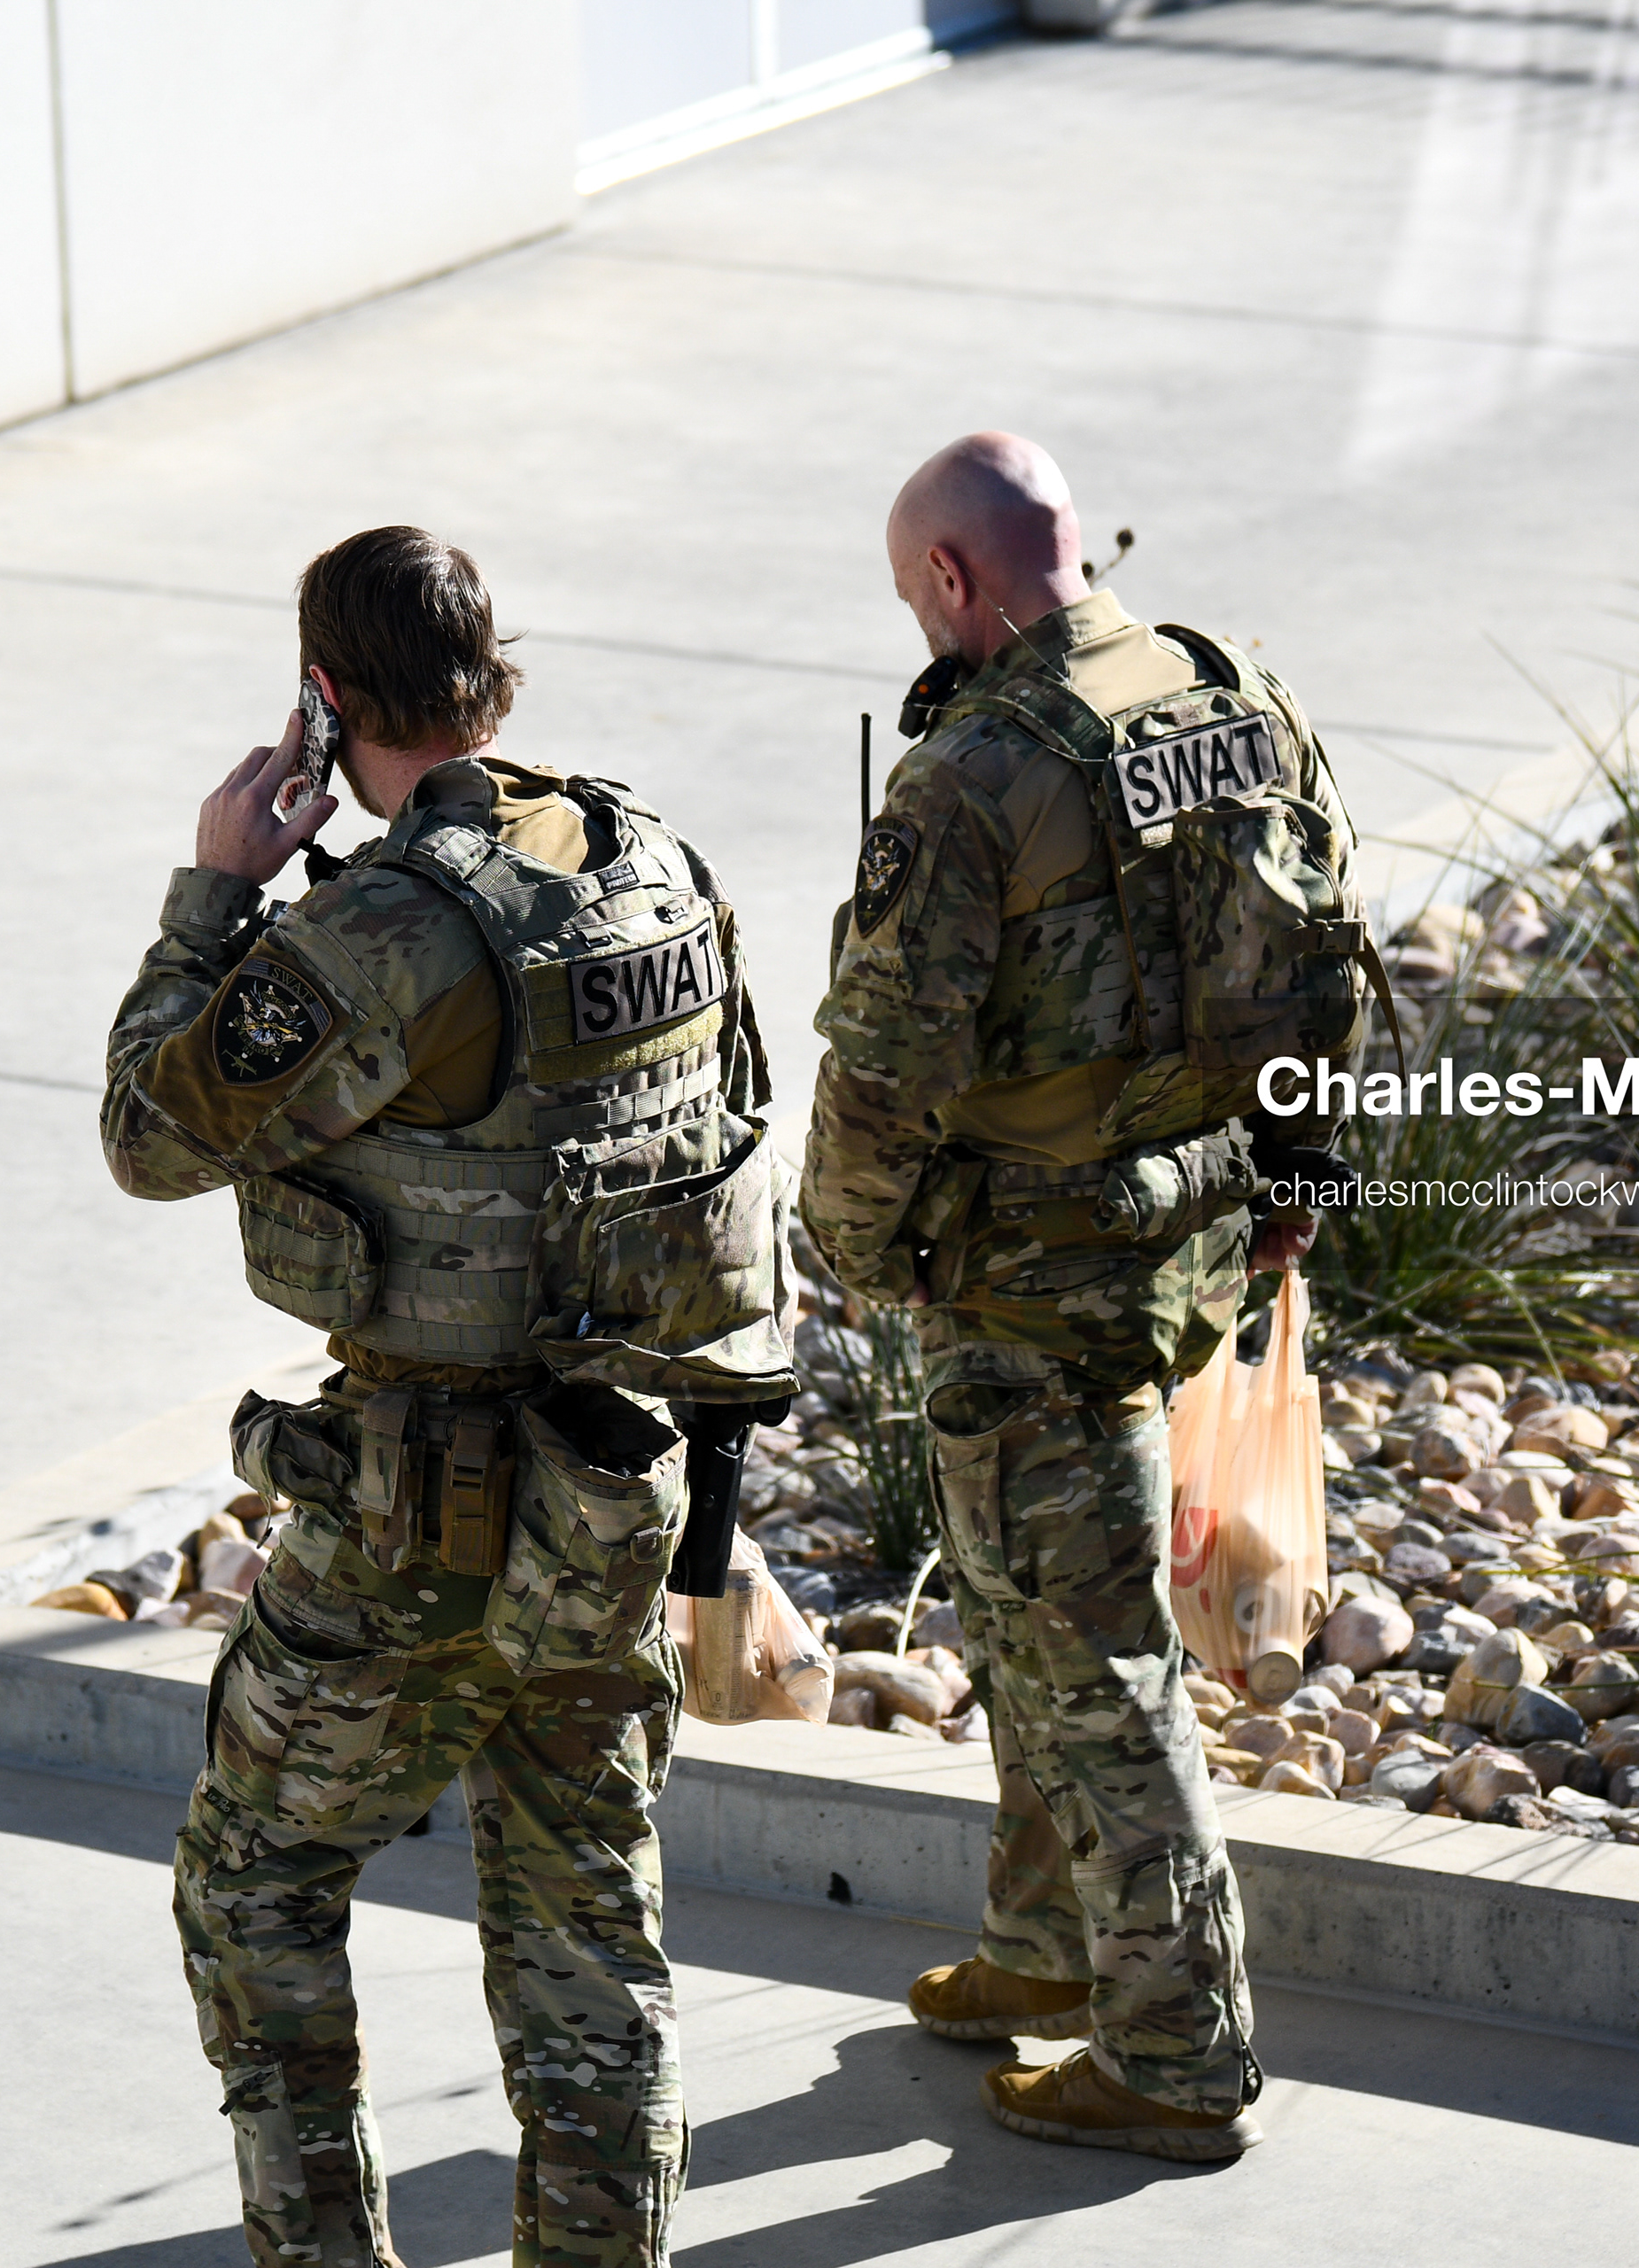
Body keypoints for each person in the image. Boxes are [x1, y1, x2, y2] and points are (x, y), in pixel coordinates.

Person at [104, 525, 781, 2267]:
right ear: (497, 674)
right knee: (588, 1927)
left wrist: (214, 888)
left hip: (417, 1523)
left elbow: (152, 1135)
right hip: (616, 1494)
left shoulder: (385, 928)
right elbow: (729, 1125)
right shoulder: (651, 858)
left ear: (324, 701)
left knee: (253, 1874)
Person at [799, 431, 1362, 2160]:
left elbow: (885, 1071)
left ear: (959, 581)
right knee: (1029, 1590)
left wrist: (849, 1242)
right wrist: (1292, 1176)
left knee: (1096, 1646)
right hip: (1190, 1225)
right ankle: (1053, 1943)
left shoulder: (969, 775)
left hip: (1032, 1278)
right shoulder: (1228, 686)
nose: (921, 628)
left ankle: (1179, 2047)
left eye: (917, 596)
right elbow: (1328, 950)